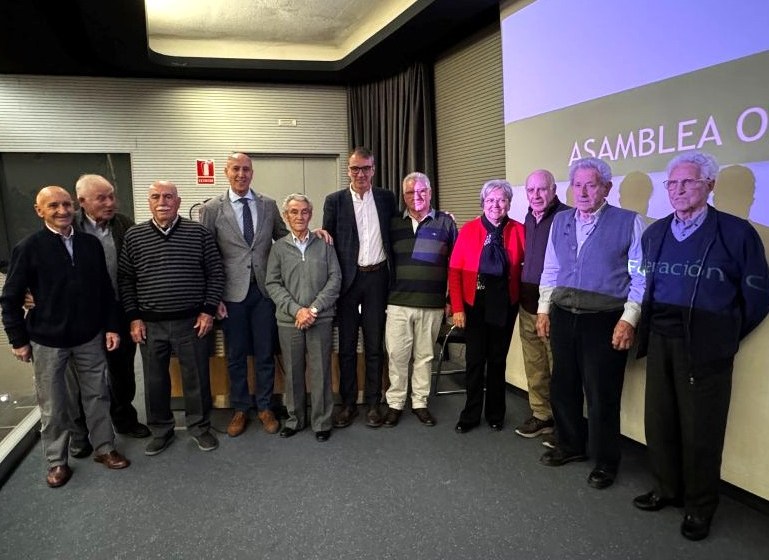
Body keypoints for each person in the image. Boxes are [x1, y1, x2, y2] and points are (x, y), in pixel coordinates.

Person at [633, 151, 769, 541]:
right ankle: (665, 488)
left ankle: (699, 507)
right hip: (660, 339)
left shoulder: (737, 233)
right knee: (660, 421)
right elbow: (639, 282)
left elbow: (758, 295)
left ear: (710, 184)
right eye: (672, 183)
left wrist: (724, 334)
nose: (678, 190)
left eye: (688, 182)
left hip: (706, 347)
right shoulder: (654, 233)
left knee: (701, 430)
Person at [1, 186, 130, 488]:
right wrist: (17, 339)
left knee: (98, 394)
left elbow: (105, 292)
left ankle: (104, 448)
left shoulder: (89, 245)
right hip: (47, 340)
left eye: (66, 205)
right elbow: (10, 298)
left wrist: (111, 326)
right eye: (53, 206)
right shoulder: (29, 247)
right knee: (54, 404)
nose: (61, 211)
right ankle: (57, 462)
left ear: (75, 207)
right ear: (39, 210)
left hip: (89, 336)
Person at [536, 157, 645, 491]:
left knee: (602, 394)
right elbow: (551, 269)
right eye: (577, 184)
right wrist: (543, 309)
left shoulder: (629, 222)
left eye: (591, 184)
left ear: (606, 188)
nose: (582, 191)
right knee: (563, 385)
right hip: (564, 314)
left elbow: (641, 277)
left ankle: (606, 461)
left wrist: (629, 319)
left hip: (605, 319)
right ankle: (570, 445)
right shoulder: (561, 221)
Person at [119, 181, 225, 456]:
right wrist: (133, 318)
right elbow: (126, 280)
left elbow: (215, 273)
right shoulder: (134, 236)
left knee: (196, 378)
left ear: (178, 202)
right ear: (149, 202)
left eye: (169, 197)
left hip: (192, 322)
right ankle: (161, 430)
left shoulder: (198, 233)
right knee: (155, 381)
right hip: (150, 324)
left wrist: (208, 310)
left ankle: (200, 428)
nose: (162, 201)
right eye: (156, 197)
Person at [198, 153, 287, 437]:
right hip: (230, 296)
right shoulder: (212, 208)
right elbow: (206, 254)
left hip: (263, 293)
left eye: (246, 169)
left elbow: (285, 238)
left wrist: (314, 235)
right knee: (235, 355)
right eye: (235, 169)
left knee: (264, 353)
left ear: (252, 172)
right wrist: (214, 299)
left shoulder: (268, 205)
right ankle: (239, 408)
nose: (241, 174)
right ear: (226, 172)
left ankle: (264, 406)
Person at [67, 174, 150, 459]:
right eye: (101, 198)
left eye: (112, 196)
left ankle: (124, 419)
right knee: (82, 378)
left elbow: (137, 266)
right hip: (82, 315)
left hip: (120, 308)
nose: (110, 203)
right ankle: (81, 433)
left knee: (122, 372)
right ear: (82, 202)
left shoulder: (124, 224)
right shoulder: (70, 227)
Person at [322, 147, 397, 429]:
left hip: (377, 278)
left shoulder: (386, 198)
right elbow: (327, 238)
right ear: (348, 171)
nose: (361, 174)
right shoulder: (335, 201)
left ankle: (375, 403)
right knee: (348, 347)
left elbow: (402, 230)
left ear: (373, 169)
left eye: (366, 168)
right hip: (348, 282)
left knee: (376, 346)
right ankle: (349, 404)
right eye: (355, 169)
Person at [448, 180, 524, 434]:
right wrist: (457, 307)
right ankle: (470, 415)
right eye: (490, 200)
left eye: (501, 200)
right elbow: (455, 271)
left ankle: (495, 413)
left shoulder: (518, 231)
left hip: (505, 303)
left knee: (498, 360)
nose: (495, 205)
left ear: (509, 204)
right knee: (475, 360)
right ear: (483, 203)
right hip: (474, 303)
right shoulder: (468, 230)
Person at [382, 172, 457, 428]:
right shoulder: (392, 224)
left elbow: (455, 265)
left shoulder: (445, 223)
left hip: (432, 303)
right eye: (411, 192)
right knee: (397, 355)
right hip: (398, 302)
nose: (417, 197)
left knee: (425, 356)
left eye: (422, 191)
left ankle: (420, 403)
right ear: (403, 196)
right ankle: (395, 403)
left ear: (430, 192)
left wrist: (450, 299)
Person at [265, 194, 341, 442]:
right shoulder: (278, 249)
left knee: (320, 372)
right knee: (294, 372)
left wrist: (314, 309)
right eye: (294, 212)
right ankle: (295, 419)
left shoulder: (325, 244)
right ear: (286, 217)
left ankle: (321, 422)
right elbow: (273, 284)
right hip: (289, 321)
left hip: (320, 319)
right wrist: (296, 310)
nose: (300, 216)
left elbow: (335, 279)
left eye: (305, 212)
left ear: (311, 214)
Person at [514, 170, 569, 443]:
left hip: (555, 307)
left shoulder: (567, 217)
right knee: (535, 364)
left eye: (541, 190)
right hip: (527, 304)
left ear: (554, 189)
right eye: (531, 190)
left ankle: (564, 424)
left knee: (558, 367)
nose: (535, 195)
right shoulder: (528, 218)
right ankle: (541, 415)